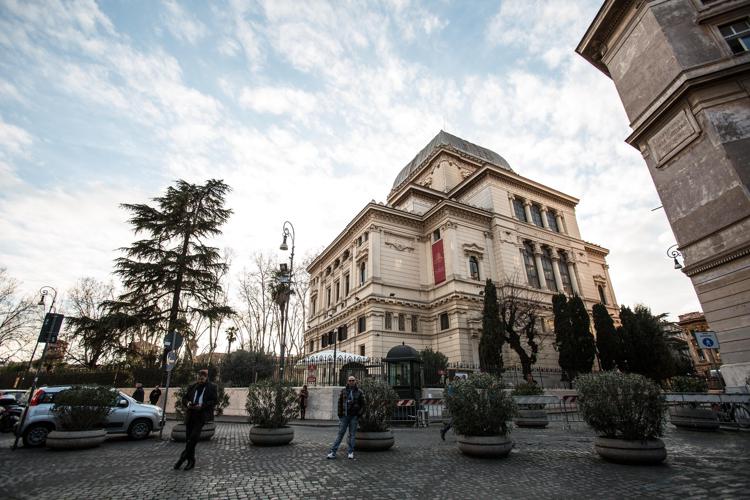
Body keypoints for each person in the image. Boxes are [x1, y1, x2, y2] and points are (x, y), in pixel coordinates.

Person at [174, 369, 217, 471]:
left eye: (203, 377)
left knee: (193, 438)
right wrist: (188, 403)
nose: (200, 378)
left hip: (201, 415)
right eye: (199, 376)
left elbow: (214, 401)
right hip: (190, 414)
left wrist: (202, 405)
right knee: (189, 440)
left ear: (206, 377)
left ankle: (182, 459)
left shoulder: (212, 387)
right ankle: (191, 461)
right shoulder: (192, 386)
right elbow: (184, 399)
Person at [326, 376, 365, 460]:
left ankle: (350, 452)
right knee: (340, 434)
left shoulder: (359, 392)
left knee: (352, 434)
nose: (351, 382)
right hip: (344, 416)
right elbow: (339, 403)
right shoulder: (343, 391)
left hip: (354, 416)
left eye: (353, 380)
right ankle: (333, 452)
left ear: (355, 381)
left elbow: (363, 405)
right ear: (347, 381)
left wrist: (359, 414)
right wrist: (340, 415)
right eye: (350, 380)